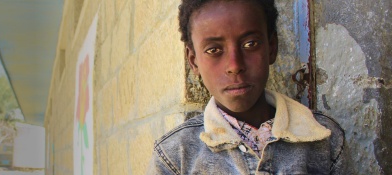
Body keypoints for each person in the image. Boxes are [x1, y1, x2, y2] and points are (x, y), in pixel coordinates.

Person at [147, 0, 351, 174]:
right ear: (193, 61)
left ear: (272, 47)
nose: (235, 66)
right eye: (214, 49)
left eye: (250, 44)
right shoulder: (175, 157)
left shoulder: (324, 138)